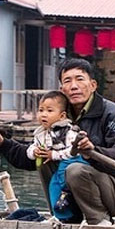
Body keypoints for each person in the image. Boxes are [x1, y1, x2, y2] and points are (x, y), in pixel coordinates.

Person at [0, 58, 115, 226]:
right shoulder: (58, 113)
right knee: (44, 158)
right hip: (73, 192)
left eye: (80, 79)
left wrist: (93, 152)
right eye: (68, 81)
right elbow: (29, 158)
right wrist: (2, 142)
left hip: (113, 192)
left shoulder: (110, 113)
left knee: (75, 169)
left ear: (93, 85)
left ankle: (98, 220)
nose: (74, 86)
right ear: (62, 88)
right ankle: (64, 217)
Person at [26, 90, 84, 221]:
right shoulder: (41, 133)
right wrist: (34, 152)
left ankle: (71, 209)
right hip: (59, 167)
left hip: (73, 162)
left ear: (62, 116)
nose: (43, 114)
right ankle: (61, 216)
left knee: (63, 183)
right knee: (53, 186)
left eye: (49, 111)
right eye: (41, 110)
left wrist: (54, 155)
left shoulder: (68, 132)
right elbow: (30, 149)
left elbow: (74, 151)